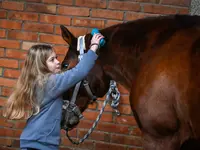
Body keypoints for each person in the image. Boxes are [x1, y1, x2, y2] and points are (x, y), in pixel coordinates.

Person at [3, 33, 104, 150]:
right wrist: (93, 47)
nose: (58, 62)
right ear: (41, 65)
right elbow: (79, 72)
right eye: (52, 60)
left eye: (56, 57)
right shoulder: (50, 83)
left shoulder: (37, 82)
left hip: (33, 141)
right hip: (40, 144)